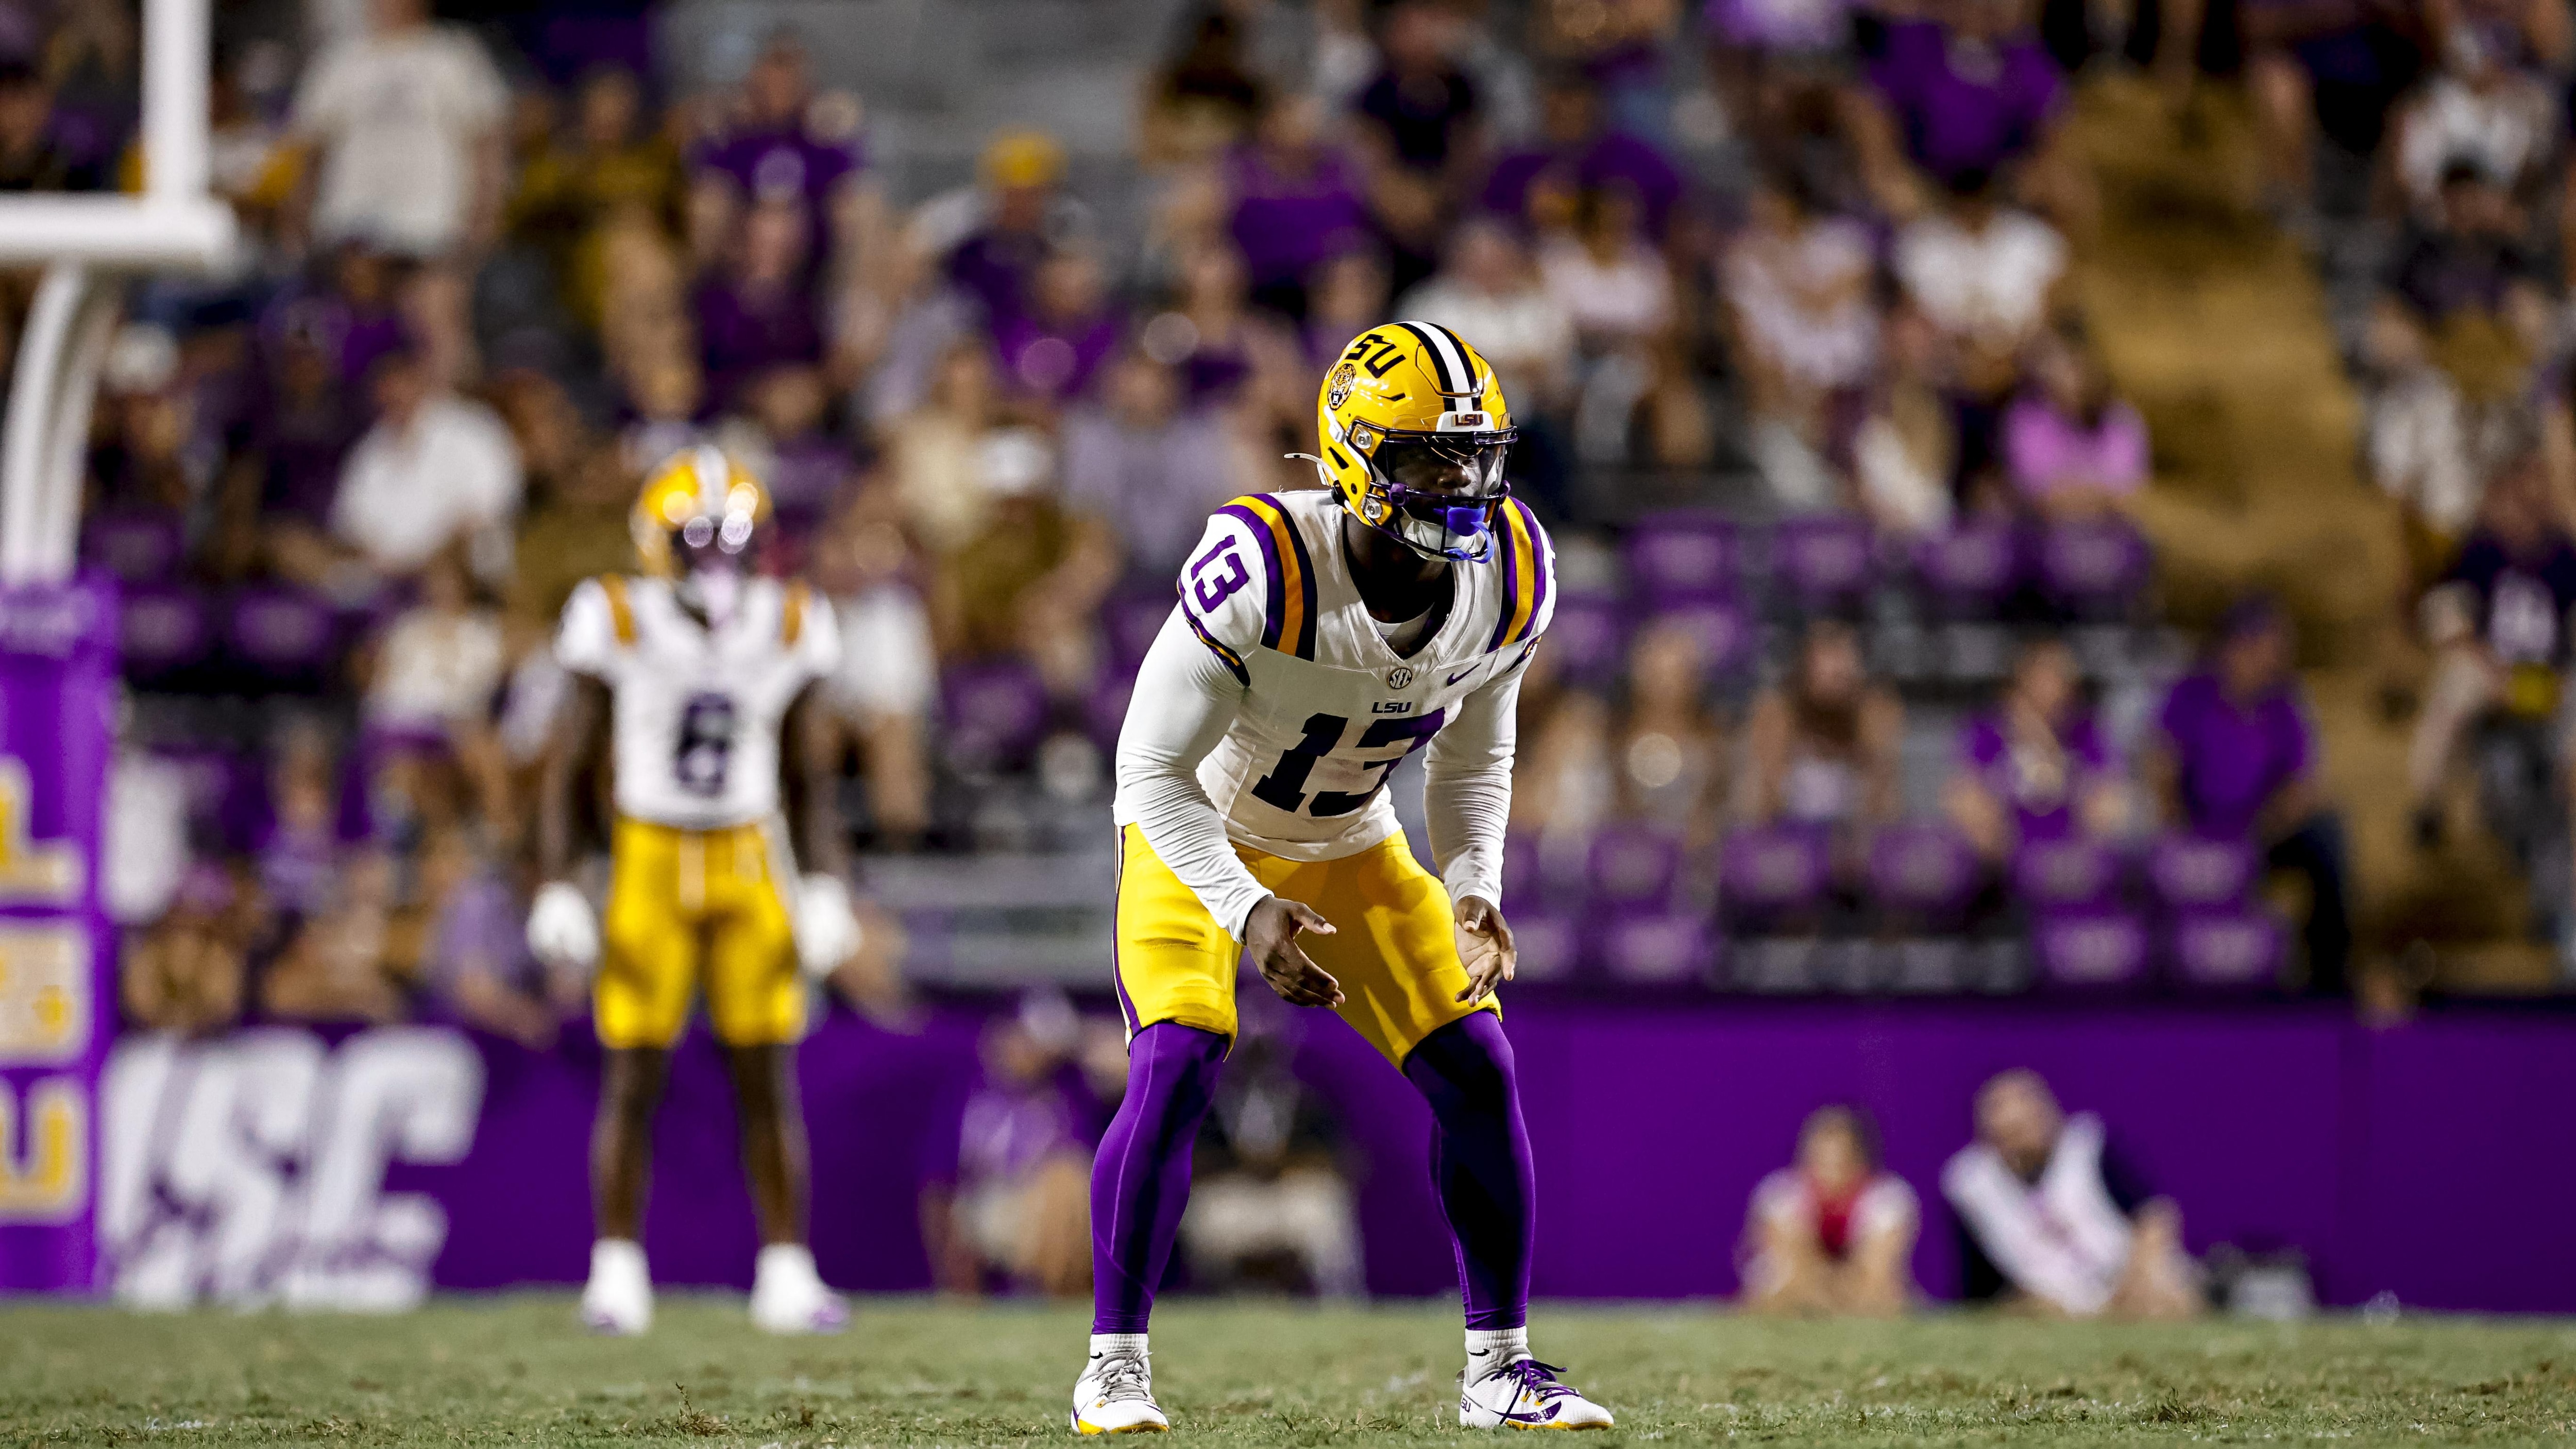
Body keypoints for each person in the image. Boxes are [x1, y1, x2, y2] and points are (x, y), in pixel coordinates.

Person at [1071, 322, 1613, 1432]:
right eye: (1426, 457)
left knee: (1475, 1062)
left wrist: (1474, 882)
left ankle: (1498, 1370)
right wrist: (1245, 904)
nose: (1458, 484)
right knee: (1178, 1057)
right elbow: (1146, 769)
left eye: (1472, 456)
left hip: (1350, 836)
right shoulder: (1263, 563)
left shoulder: (1509, 571)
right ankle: (1113, 1365)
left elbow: (1476, 749)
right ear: (1355, 454)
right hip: (1198, 831)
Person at [523, 448, 862, 1336]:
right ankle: (615, 1269)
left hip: (749, 853)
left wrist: (825, 881)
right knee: (634, 1069)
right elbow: (569, 763)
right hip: (650, 851)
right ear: (657, 541)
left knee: (766, 1068)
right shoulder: (617, 615)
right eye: (698, 540)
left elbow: (807, 771)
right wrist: (558, 879)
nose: (717, 560)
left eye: (734, 541)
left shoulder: (789, 618)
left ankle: (787, 1270)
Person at [2142, 596, 2353, 993]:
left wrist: (2261, 832)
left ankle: (2329, 980)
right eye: (2267, 648)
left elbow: (2303, 784)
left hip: (2260, 834)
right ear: (2237, 646)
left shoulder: (2284, 702)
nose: (2275, 660)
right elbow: (2162, 763)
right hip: (2194, 828)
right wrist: (2177, 825)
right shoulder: (2193, 693)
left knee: (2327, 834)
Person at [2405, 455, 2576, 848]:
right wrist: (2488, 666)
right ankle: (2428, 801)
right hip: (2492, 671)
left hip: (2547, 679)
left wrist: (2557, 681)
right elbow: (2445, 615)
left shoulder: (2565, 556)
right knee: (2451, 694)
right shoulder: (2483, 551)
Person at [1942, 1070, 2202, 1320]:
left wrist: (2139, 1276)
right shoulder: (1971, 1185)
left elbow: (2154, 1216)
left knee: (2170, 1290)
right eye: (2009, 1134)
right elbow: (1983, 1290)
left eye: (2026, 1125)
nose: (2020, 1142)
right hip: (2058, 1305)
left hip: (2131, 1279)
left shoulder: (2088, 1147)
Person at [289, 0, 506, 258]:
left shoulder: (454, 55)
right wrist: (297, 218)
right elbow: (312, 149)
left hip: (433, 232)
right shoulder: (338, 61)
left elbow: (486, 143)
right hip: (349, 232)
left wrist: (482, 221)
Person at [1945, 636, 2127, 863]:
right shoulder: (1985, 731)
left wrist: (2043, 742)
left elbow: (2107, 808)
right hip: (2004, 861)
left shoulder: (2089, 731)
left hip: (2072, 860)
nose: (2047, 687)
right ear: (2018, 683)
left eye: (2057, 677)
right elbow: (1966, 799)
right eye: (2039, 676)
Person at [1739, 1105, 1917, 1317]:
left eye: (1840, 1162)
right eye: (1821, 1161)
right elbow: (1795, 1269)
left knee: (1891, 1294)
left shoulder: (1888, 1197)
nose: (1829, 1174)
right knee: (1771, 1288)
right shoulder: (1780, 1194)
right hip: (1808, 1283)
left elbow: (1876, 1273)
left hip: (1853, 1283)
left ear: (1860, 1161)